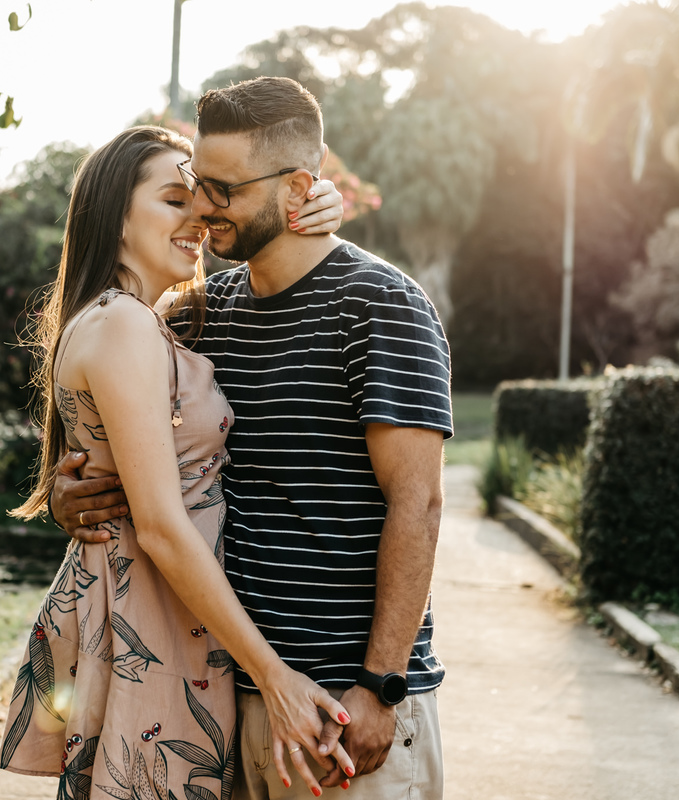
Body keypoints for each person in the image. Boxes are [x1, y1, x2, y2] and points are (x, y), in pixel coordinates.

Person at [53, 77, 453, 800]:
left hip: (342, 708)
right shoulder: (197, 318)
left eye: (222, 190)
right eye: (196, 185)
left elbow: (418, 505)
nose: (204, 208)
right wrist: (67, 491)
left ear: (298, 187)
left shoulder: (383, 307)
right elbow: (138, 449)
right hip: (231, 702)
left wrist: (380, 688)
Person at [0, 124, 356, 800]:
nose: (197, 217)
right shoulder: (123, 324)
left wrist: (314, 208)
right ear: (116, 219)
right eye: (172, 199)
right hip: (153, 622)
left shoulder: (140, 317)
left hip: (166, 617)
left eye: (201, 199)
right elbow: (159, 525)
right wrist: (275, 675)